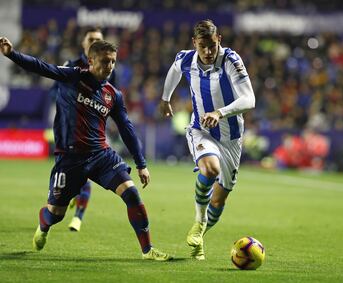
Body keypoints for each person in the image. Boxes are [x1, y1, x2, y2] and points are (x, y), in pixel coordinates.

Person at [0, 36, 172, 261]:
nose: (109, 66)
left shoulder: (113, 95)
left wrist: (141, 164)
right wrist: (12, 54)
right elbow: (41, 67)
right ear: (90, 61)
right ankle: (43, 226)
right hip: (70, 159)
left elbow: (126, 129)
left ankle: (148, 250)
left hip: (101, 155)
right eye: (104, 61)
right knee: (56, 214)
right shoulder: (72, 76)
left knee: (132, 194)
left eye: (112, 62)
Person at [159, 19, 255, 260]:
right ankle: (199, 222)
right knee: (210, 169)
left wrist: (220, 112)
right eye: (203, 46)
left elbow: (249, 99)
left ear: (219, 40)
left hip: (231, 136)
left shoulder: (231, 60)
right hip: (201, 129)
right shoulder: (186, 59)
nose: (208, 51)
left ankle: (200, 234)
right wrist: (165, 98)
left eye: (212, 45)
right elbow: (173, 71)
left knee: (220, 197)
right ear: (195, 44)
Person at [50, 27, 117, 232]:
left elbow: (112, 95)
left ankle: (78, 217)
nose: (94, 42)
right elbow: (55, 90)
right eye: (91, 39)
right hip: (68, 129)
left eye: (98, 39)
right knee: (74, 176)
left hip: (93, 129)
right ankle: (70, 199)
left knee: (86, 170)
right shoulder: (71, 67)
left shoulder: (108, 67)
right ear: (83, 43)